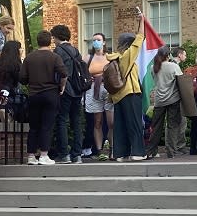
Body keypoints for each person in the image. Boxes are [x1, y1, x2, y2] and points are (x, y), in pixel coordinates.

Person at [20, 30, 68, 165]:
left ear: (37, 41)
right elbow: (64, 74)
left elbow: (22, 78)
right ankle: (44, 155)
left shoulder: (29, 57)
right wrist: (62, 87)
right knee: (47, 126)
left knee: (33, 126)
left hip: (34, 94)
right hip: (50, 93)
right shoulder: (54, 57)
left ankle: (30, 156)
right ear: (50, 41)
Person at [107, 12, 145, 161]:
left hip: (117, 96)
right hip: (130, 93)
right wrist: (141, 21)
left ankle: (120, 154)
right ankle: (137, 153)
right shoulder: (127, 57)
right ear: (129, 45)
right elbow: (139, 38)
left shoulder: (114, 58)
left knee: (120, 126)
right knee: (135, 124)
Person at [51, 24, 84, 164]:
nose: (53, 39)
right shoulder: (75, 50)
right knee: (76, 122)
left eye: (53, 37)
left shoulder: (58, 51)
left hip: (65, 89)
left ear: (57, 36)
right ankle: (77, 154)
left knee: (62, 120)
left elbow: (57, 72)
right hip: (78, 89)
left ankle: (64, 154)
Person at [145, 46, 183, 158]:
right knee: (172, 126)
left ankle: (151, 151)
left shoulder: (153, 67)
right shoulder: (173, 66)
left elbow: (155, 80)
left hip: (159, 101)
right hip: (173, 100)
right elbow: (181, 82)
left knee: (156, 127)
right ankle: (171, 152)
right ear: (168, 55)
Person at [83, 32, 114, 160]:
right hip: (93, 90)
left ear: (104, 42)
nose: (96, 42)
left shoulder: (110, 57)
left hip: (108, 90)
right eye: (94, 39)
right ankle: (99, 150)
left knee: (111, 122)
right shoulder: (87, 58)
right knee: (97, 122)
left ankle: (112, 149)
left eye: (99, 39)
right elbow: (82, 74)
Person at [170, 47, 189, 154]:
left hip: (172, 98)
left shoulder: (170, 64)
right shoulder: (175, 66)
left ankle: (176, 146)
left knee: (175, 123)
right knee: (180, 122)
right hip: (176, 98)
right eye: (184, 55)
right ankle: (178, 146)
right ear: (180, 55)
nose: (185, 57)